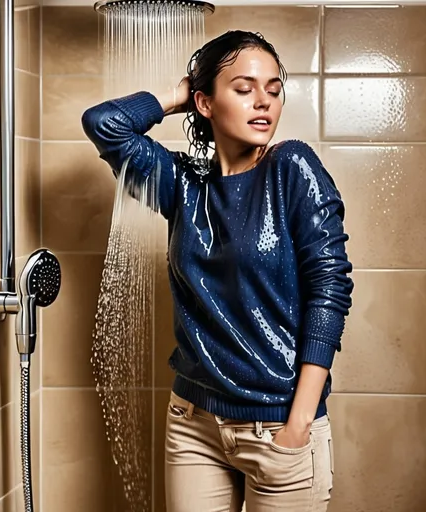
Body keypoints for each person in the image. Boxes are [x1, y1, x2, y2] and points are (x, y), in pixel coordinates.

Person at [82, 30, 353, 512]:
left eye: (273, 89)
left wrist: (298, 426)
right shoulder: (182, 185)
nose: (263, 102)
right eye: (244, 88)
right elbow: (104, 124)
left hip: (277, 427)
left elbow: (329, 290)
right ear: (206, 103)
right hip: (192, 424)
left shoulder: (292, 167)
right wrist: (178, 95)